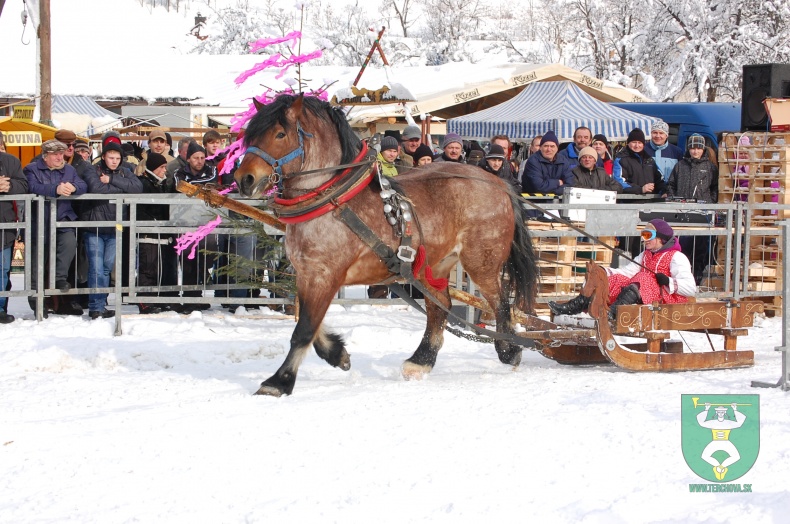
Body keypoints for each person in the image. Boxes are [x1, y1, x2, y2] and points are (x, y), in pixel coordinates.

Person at [549, 219, 696, 321]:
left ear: (661, 239)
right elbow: (627, 272)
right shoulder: (645, 255)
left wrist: (668, 281)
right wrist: (603, 273)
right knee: (616, 280)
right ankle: (573, 307)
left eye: (649, 236)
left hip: (665, 301)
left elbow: (691, 289)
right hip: (645, 296)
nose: (645, 240)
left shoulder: (676, 257)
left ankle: (614, 312)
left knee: (643, 278)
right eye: (643, 235)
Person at [24, 139, 88, 316]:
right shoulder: (32, 168)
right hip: (39, 221)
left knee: (69, 243)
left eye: (61, 153)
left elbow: (83, 185)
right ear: (46, 156)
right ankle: (36, 299)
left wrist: (73, 187)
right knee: (38, 260)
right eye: (56, 154)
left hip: (62, 218)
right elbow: (32, 186)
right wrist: (55, 189)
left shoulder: (69, 169)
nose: (60, 157)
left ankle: (59, 279)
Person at [80, 142, 143, 319]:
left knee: (107, 268)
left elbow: (137, 189)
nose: (114, 162)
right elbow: (96, 189)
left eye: (117, 158)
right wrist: (122, 189)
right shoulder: (93, 170)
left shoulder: (125, 171)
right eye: (111, 158)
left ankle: (101, 303)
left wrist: (112, 180)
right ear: (104, 157)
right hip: (95, 225)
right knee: (96, 268)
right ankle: (95, 306)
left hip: (115, 226)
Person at [173, 142, 219, 312]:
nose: (200, 161)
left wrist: (193, 187)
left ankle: (197, 294)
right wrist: (202, 189)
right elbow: (180, 186)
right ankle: (190, 298)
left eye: (202, 157)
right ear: (188, 158)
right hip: (186, 221)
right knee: (187, 260)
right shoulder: (179, 172)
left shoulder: (211, 170)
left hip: (206, 222)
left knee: (206, 256)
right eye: (196, 158)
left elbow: (211, 181)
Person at [667, 133, 719, 283]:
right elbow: (671, 184)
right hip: (682, 213)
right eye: (692, 148)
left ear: (703, 149)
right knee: (683, 247)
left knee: (700, 247)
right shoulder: (680, 165)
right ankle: (682, 278)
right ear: (688, 149)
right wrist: (673, 200)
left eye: (698, 148)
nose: (695, 151)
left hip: (702, 213)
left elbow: (715, 188)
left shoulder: (710, 167)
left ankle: (696, 276)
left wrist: (711, 202)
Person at [136, 152, 179, 314]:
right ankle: (144, 301)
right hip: (148, 233)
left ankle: (155, 298)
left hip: (159, 232)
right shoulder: (144, 184)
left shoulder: (161, 184)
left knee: (157, 268)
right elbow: (142, 209)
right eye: (161, 167)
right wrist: (154, 223)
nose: (164, 170)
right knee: (148, 267)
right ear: (154, 168)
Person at [0, 145, 28, 323]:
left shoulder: (11, 161)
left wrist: (8, 185)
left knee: (2, 269)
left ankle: (0, 308)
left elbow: (24, 185)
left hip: (5, 222)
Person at [612, 128, 666, 196]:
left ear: (643, 144)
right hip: (629, 202)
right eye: (634, 142)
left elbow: (659, 180)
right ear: (628, 143)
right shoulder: (621, 159)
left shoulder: (649, 160)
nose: (637, 146)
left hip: (650, 203)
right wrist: (640, 189)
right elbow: (618, 183)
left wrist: (664, 191)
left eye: (640, 143)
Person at [521, 131, 573, 195]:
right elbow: (539, 187)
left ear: (557, 148)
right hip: (533, 201)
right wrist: (557, 182)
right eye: (546, 146)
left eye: (552, 146)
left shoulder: (563, 161)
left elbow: (570, 185)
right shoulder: (533, 161)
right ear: (540, 147)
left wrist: (553, 192)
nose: (549, 149)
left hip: (558, 201)